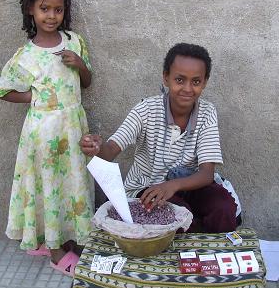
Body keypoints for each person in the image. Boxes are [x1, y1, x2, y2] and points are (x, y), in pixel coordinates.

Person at [80, 43, 240, 233]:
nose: (187, 88)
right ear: (166, 77)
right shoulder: (146, 109)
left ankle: (211, 255)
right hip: (147, 189)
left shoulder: (207, 112)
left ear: (204, 82)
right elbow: (111, 150)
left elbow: (206, 173)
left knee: (223, 208)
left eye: (196, 82)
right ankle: (179, 254)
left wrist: (173, 185)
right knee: (174, 215)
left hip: (188, 186)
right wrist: (97, 149)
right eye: (180, 80)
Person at [0, 0, 94, 276]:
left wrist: (80, 65)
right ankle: (55, 251)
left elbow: (87, 82)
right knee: (49, 188)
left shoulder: (75, 42)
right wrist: (32, 96)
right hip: (43, 135)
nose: (51, 15)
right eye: (44, 8)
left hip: (73, 129)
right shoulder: (26, 55)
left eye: (58, 9)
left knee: (73, 186)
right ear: (30, 9)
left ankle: (70, 238)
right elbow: (3, 89)